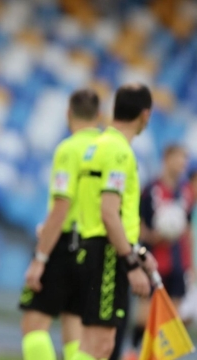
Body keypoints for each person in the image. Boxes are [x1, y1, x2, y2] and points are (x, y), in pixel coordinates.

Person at [73, 84, 157, 360]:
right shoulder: (120, 152)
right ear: (145, 115)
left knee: (89, 343)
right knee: (100, 344)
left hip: (88, 246)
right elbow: (109, 213)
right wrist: (130, 263)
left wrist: (138, 252)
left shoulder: (94, 146)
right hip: (109, 253)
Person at [19, 89, 102, 360]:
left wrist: (40, 257)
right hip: (95, 249)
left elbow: (61, 206)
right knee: (74, 329)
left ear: (68, 114)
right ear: (99, 116)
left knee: (34, 327)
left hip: (67, 243)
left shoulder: (69, 149)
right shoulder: (110, 150)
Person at [129, 145, 193, 352]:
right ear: (166, 159)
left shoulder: (185, 193)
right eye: (178, 159)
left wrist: (191, 264)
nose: (181, 164)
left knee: (172, 319)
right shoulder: (150, 190)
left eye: (184, 160)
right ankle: (135, 352)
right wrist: (152, 236)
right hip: (153, 261)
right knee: (145, 317)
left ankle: (161, 356)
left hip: (177, 263)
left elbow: (187, 229)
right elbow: (136, 224)